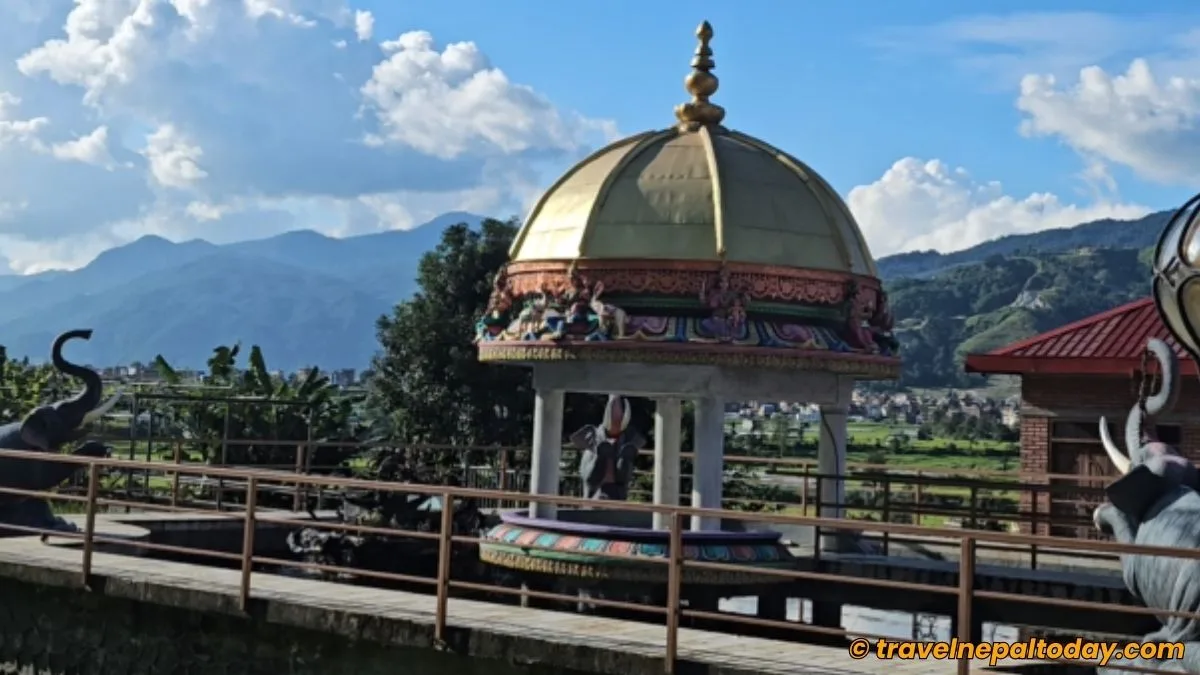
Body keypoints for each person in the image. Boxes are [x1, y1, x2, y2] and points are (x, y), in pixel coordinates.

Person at [572, 394, 644, 501]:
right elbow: (588, 477)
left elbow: (624, 479)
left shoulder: (625, 441)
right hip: (595, 491)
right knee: (596, 467)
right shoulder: (594, 438)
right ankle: (600, 458)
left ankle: (621, 459)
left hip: (617, 492)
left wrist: (624, 459)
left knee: (624, 463)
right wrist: (601, 456)